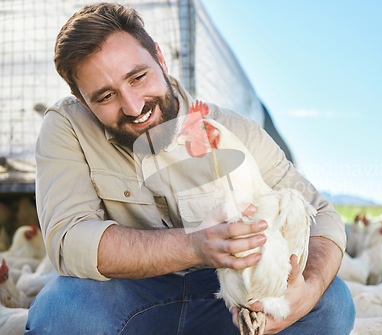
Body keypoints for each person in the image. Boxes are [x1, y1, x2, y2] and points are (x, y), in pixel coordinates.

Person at [26, 3, 355, 334]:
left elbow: (322, 216)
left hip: (228, 299)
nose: (134, 106)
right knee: (61, 308)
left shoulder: (235, 130)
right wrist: (194, 245)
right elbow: (69, 238)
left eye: (138, 77)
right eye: (106, 96)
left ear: (160, 58)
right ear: (83, 102)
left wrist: (307, 291)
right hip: (129, 293)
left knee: (333, 302)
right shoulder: (67, 127)